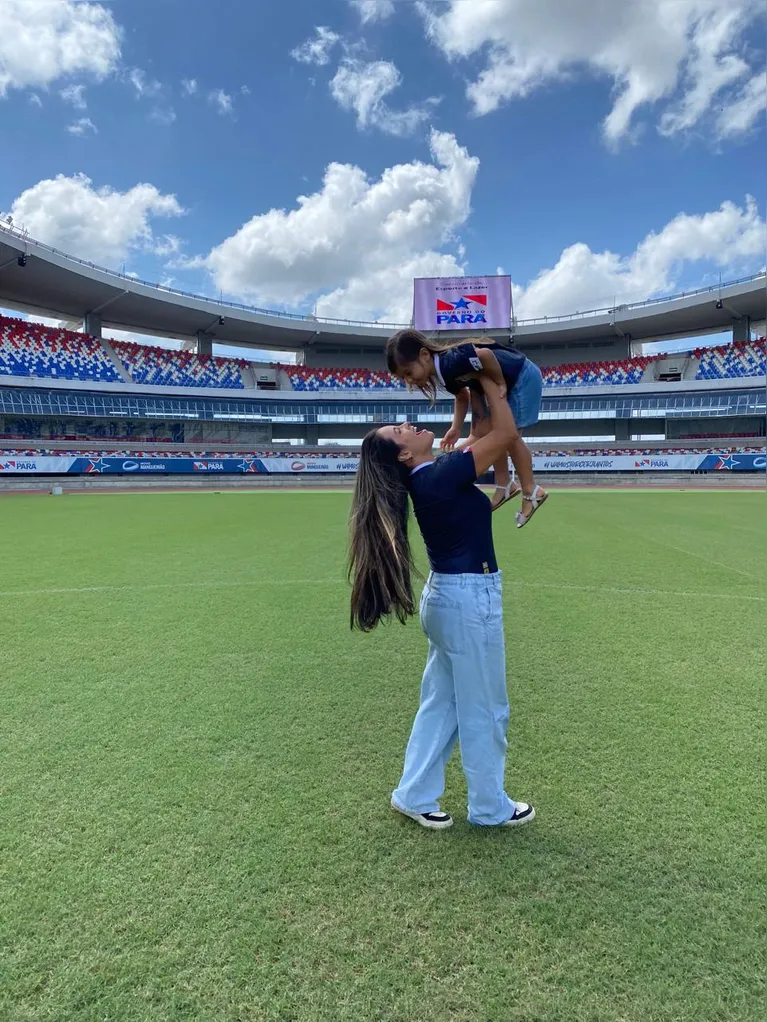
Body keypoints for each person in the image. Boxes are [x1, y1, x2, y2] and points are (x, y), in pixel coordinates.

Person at [348, 374, 535, 831]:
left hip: (450, 598)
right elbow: (507, 435)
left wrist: (473, 404)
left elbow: (481, 442)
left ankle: (413, 794)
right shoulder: (439, 474)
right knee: (486, 707)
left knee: (443, 704)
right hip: (468, 601)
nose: (407, 425)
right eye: (399, 433)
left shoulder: (433, 476)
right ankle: (490, 807)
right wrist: (492, 383)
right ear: (405, 455)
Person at [385, 329, 548, 528]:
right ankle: (504, 485)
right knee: (492, 433)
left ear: (424, 355)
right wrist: (456, 427)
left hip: (522, 377)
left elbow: (485, 355)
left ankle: (531, 491)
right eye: (403, 378)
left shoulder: (449, 362)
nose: (408, 381)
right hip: (511, 379)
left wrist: (499, 381)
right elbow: (462, 397)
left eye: (408, 373)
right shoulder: (444, 373)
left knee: (510, 437)